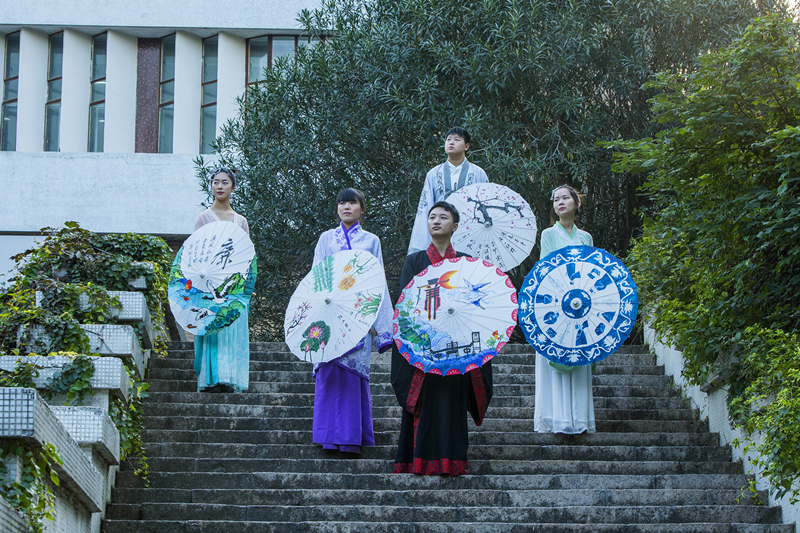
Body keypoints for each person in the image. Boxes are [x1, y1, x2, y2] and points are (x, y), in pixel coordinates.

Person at [391, 201, 493, 475]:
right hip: (425, 347)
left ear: (455, 226)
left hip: (456, 347)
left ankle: (451, 461)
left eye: (443, 217)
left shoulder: (465, 262)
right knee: (424, 402)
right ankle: (418, 461)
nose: (436, 221)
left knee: (452, 402)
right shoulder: (414, 261)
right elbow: (405, 304)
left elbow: (476, 302)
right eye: (432, 217)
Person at [311, 188, 393, 453]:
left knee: (351, 376)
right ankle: (326, 436)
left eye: (352, 202)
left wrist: (379, 325)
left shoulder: (371, 241)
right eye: (342, 203)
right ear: (336, 208)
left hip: (359, 315)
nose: (346, 207)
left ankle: (350, 438)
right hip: (329, 312)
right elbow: (316, 274)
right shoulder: (325, 239)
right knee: (329, 373)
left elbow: (377, 280)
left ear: (362, 209)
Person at [534, 185, 596, 434]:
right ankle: (556, 419)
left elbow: (593, 271)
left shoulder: (586, 237)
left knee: (579, 358)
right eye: (556, 199)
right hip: (556, 305)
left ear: (576, 203)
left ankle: (579, 420)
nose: (560, 202)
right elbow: (546, 268)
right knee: (557, 356)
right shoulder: (549, 234)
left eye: (565, 198)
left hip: (583, 305)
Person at [193, 167, 251, 393]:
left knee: (231, 330)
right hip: (209, 284)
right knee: (213, 328)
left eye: (224, 182)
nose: (219, 186)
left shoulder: (241, 221)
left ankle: (230, 377)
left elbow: (247, 255)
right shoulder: (203, 218)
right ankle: (210, 379)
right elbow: (195, 252)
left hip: (234, 284)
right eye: (215, 182)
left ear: (233, 187)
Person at [407, 127, 489, 254]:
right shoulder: (433, 174)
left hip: (470, 233)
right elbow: (425, 208)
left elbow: (485, 207)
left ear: (466, 146)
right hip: (440, 232)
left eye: (457, 139)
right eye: (448, 139)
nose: (451, 142)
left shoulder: (479, 174)